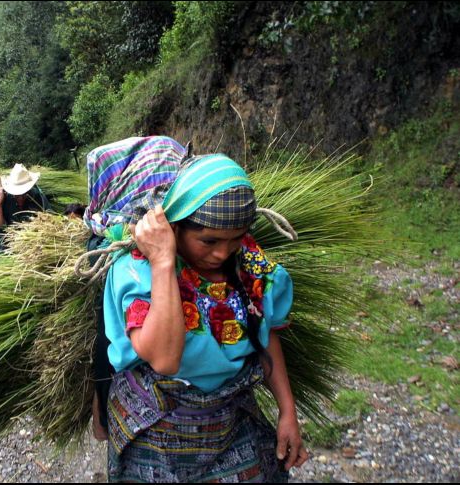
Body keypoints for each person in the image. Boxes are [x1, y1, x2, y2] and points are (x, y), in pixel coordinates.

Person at [103, 155, 308, 482]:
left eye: (236, 238)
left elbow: (266, 334)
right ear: (176, 225)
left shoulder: (249, 264)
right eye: (209, 241)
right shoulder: (138, 269)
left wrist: (287, 410)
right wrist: (163, 262)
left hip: (229, 419)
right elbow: (165, 359)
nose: (222, 253)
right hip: (156, 426)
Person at [0, 163, 51, 252]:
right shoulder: (1, 197)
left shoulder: (37, 195)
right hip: (8, 245)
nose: (20, 198)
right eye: (17, 195)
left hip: (34, 244)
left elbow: (49, 216)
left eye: (24, 194)